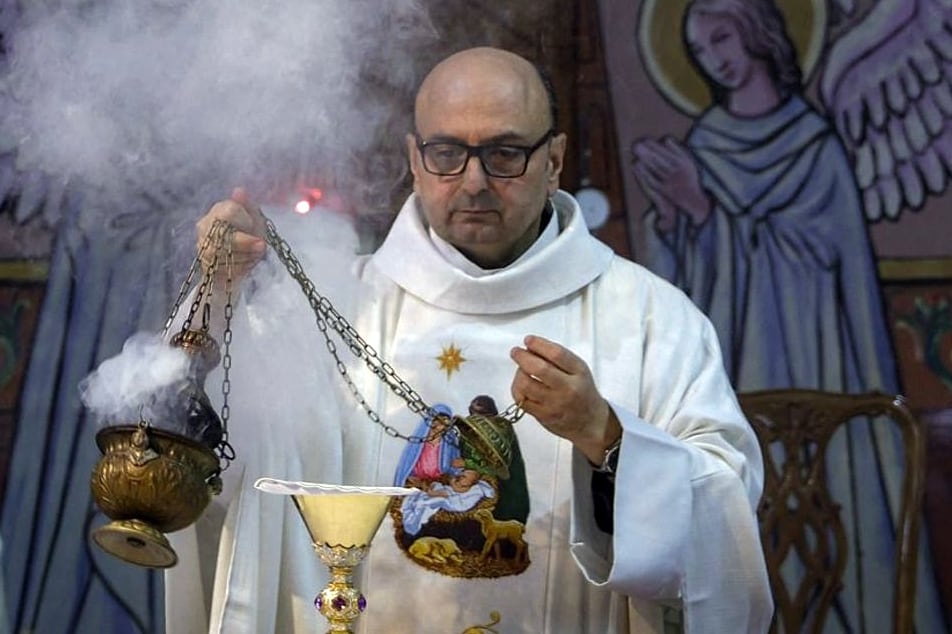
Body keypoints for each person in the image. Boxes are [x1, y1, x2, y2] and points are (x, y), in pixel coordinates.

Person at [166, 46, 772, 633]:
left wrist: (607, 438)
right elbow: (213, 456)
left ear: (554, 160)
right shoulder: (335, 308)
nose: (474, 181)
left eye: (505, 153)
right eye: (447, 153)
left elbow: (724, 509)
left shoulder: (651, 319)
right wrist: (217, 295)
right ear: (414, 157)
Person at [633, 0, 944, 630]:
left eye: (722, 37)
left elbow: (823, 265)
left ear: (756, 34)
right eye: (698, 50)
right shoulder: (706, 145)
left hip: (822, 361)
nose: (714, 58)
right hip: (739, 377)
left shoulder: (817, 148)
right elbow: (684, 288)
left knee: (837, 512)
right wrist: (677, 223)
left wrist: (708, 216)